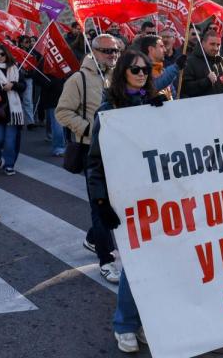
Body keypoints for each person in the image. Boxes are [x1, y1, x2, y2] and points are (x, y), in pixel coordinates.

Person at [87, 49, 163, 353]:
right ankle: (125, 324)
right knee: (135, 263)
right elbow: (95, 162)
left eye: (146, 70)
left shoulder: (154, 103)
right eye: (135, 70)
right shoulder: (108, 110)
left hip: (155, 194)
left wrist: (164, 113)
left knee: (156, 262)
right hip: (124, 196)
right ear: (123, 73)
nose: (142, 74)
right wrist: (101, 204)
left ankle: (141, 320)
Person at [55, 33, 120, 284]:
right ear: (94, 51)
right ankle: (106, 259)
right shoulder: (78, 79)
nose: (112, 55)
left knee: (115, 202)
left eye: (115, 51)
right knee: (100, 204)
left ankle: (93, 238)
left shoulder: (118, 75)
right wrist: (88, 129)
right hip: (91, 151)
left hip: (117, 150)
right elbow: (63, 112)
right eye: (106, 51)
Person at [0, 44, 27, 175]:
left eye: (2, 54)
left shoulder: (15, 68)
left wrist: (13, 85)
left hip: (13, 111)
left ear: (6, 55)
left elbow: (23, 86)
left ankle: (9, 165)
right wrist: (1, 87)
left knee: (10, 141)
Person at [180, 30, 223, 98]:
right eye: (212, 44)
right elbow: (185, 89)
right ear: (203, 44)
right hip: (200, 106)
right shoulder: (189, 62)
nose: (216, 48)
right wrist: (206, 81)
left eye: (218, 45)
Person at [133, 34, 183, 99]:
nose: (165, 50)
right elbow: (153, 87)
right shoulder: (140, 72)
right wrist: (175, 67)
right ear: (151, 49)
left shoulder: (162, 70)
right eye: (161, 46)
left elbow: (172, 94)